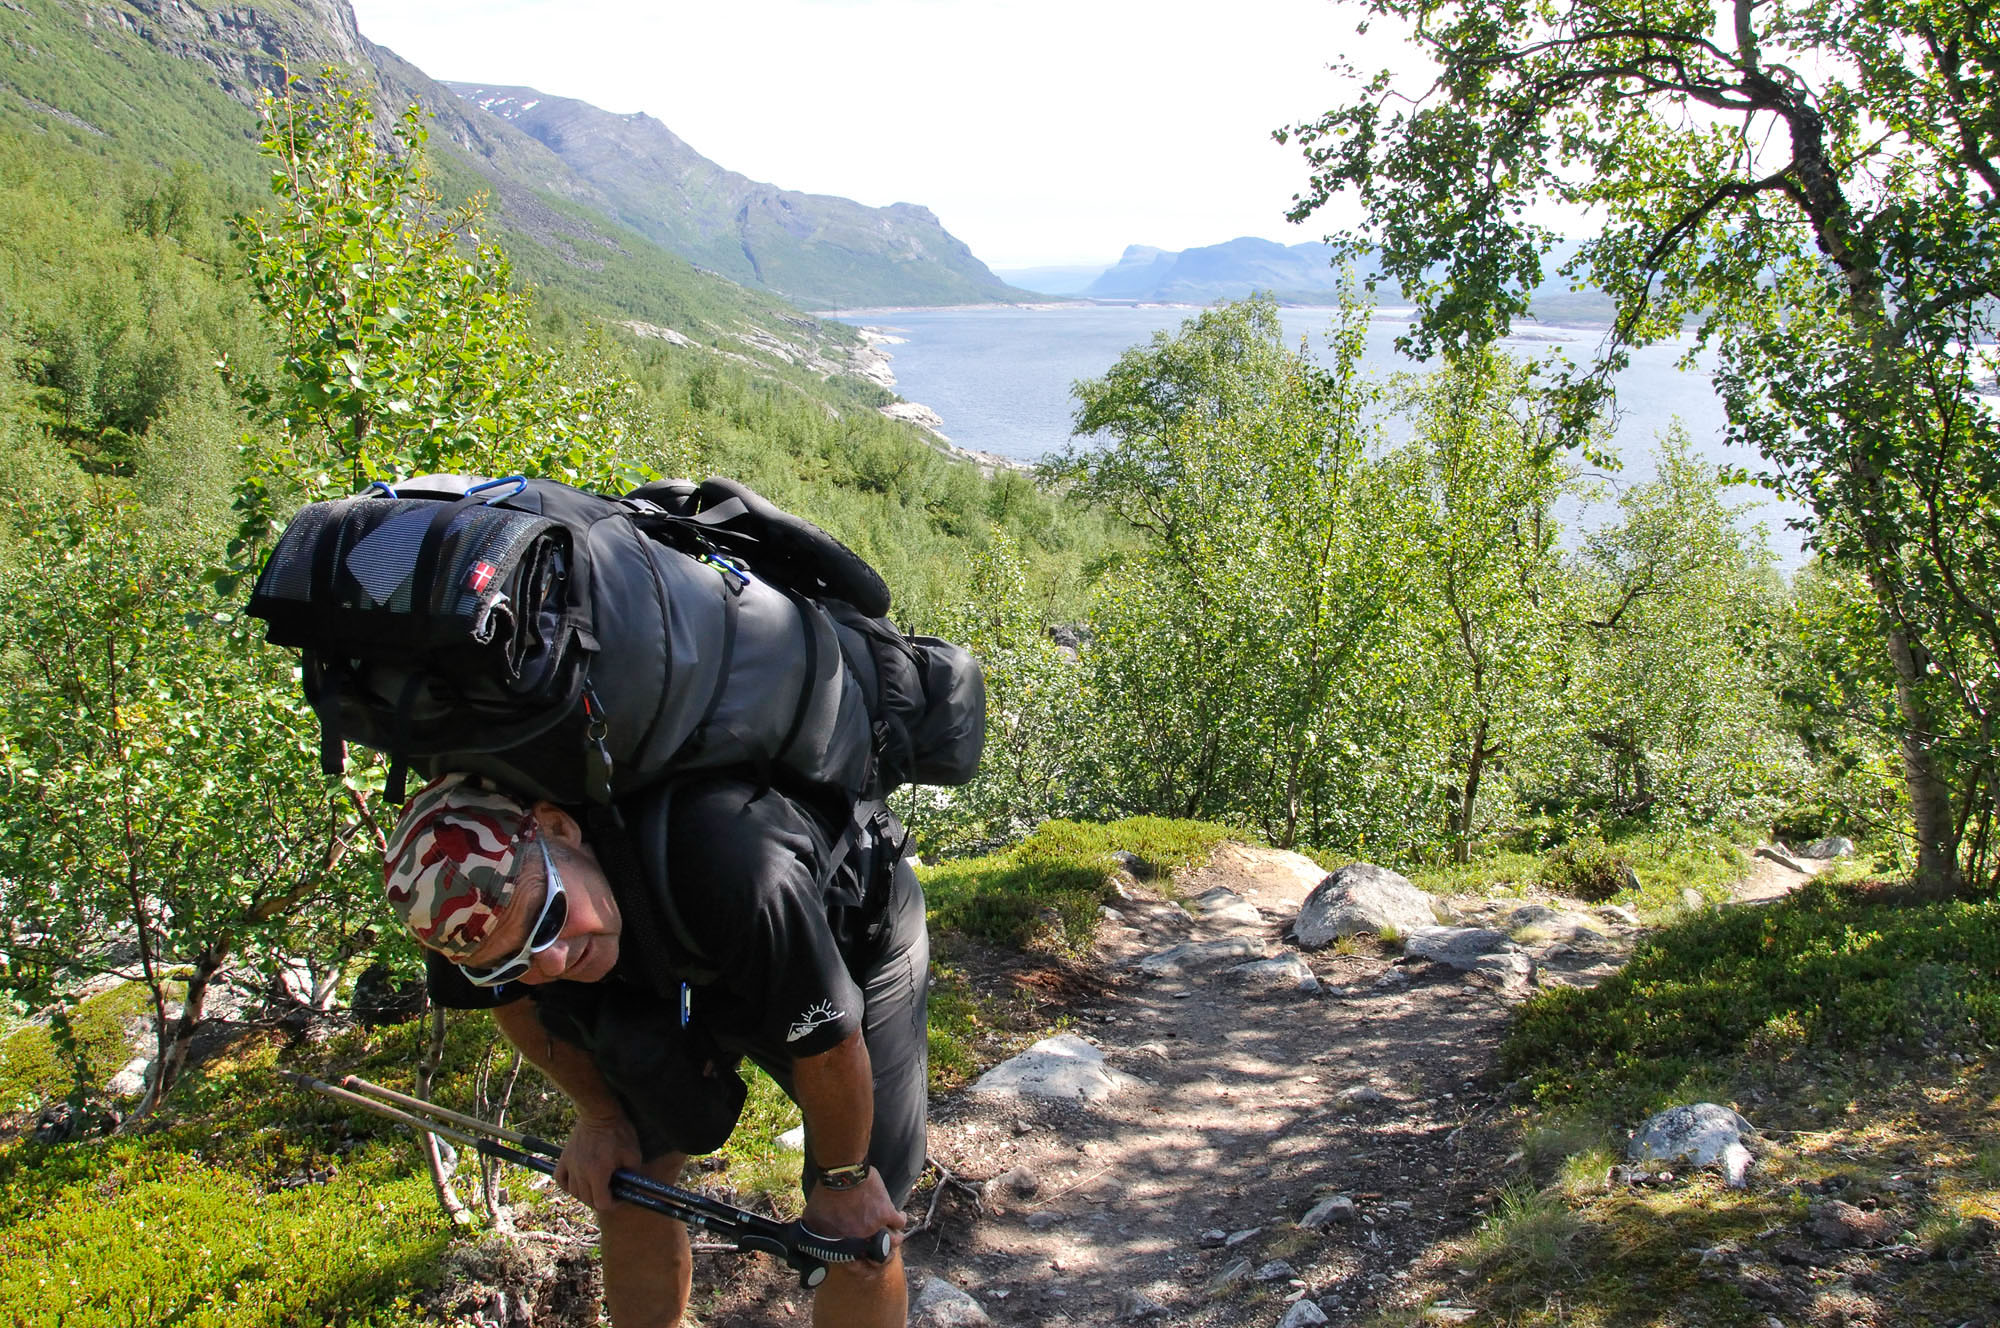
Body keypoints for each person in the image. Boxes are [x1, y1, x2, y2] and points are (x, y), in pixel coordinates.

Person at [381, 771, 928, 1328]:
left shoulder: (736, 863)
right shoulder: (462, 902)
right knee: (629, 1185)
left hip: (849, 935)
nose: (550, 962)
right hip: (669, 955)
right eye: (508, 960)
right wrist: (599, 1117)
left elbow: (830, 1046)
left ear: (559, 827)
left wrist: (843, 1181)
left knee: (858, 1231)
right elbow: (513, 1003)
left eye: (548, 917)